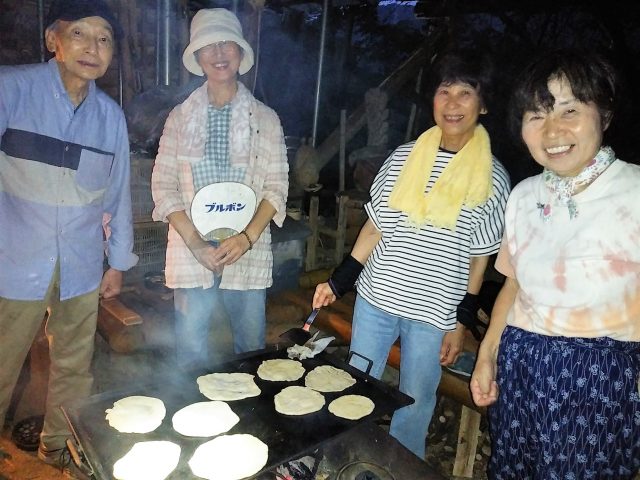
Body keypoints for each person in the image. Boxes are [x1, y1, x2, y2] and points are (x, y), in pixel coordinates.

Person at [312, 48, 511, 459]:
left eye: (465, 92)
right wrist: (337, 281)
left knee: (415, 402)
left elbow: (481, 257)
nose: (452, 103)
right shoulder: (403, 158)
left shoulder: (493, 176)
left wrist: (462, 320)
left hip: (434, 314)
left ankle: (402, 467)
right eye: (444, 91)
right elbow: (374, 227)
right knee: (355, 384)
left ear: (484, 103)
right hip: (376, 300)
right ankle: (348, 459)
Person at [470, 49, 640, 479]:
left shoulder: (634, 191)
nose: (552, 131)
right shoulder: (524, 195)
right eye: (536, 115)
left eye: (570, 110)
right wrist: (487, 356)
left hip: (600, 376)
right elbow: (512, 284)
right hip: (522, 362)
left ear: (604, 114)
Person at [0, 0, 137, 475]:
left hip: (79, 263)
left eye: (103, 39)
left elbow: (117, 195)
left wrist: (117, 261)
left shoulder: (109, 117)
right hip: (12, 258)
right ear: (53, 40)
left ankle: (57, 446)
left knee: (74, 367)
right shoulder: (10, 90)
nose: (92, 47)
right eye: (80, 34)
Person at [151, 8, 288, 369]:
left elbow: (276, 187)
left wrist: (246, 238)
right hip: (191, 246)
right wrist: (196, 243)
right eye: (209, 46)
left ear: (241, 54)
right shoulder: (180, 118)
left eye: (227, 43)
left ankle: (253, 420)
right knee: (191, 348)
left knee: (250, 349)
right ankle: (192, 416)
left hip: (246, 248)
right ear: (197, 58)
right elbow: (164, 187)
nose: (219, 53)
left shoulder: (265, 119)